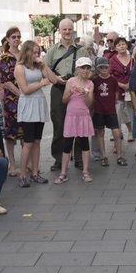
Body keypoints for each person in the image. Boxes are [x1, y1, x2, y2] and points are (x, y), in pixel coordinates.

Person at [45, 19, 90, 171]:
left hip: (77, 90)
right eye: (64, 29)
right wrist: (55, 78)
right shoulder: (52, 50)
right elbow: (45, 69)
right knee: (59, 124)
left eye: (70, 29)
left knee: (79, 123)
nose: (67, 32)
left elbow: (90, 69)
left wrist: (81, 82)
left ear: (73, 30)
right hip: (58, 89)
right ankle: (58, 158)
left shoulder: (81, 50)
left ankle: (78, 158)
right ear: (59, 31)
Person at [15, 41, 59, 187]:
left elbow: (53, 80)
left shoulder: (39, 66)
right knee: (27, 142)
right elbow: (25, 89)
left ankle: (35, 172)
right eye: (34, 52)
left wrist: (44, 65)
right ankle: (22, 174)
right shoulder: (20, 68)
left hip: (39, 102)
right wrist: (41, 83)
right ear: (26, 52)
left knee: (37, 141)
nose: (36, 55)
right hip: (28, 104)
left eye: (38, 52)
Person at [55, 57, 96, 184]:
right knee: (67, 144)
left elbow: (89, 103)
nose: (85, 70)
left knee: (84, 143)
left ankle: (85, 171)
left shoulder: (90, 84)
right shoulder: (71, 81)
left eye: (87, 68)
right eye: (82, 68)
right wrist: (70, 93)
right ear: (77, 69)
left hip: (83, 116)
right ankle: (63, 172)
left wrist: (86, 94)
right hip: (71, 116)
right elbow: (64, 100)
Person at [92, 57, 126, 166]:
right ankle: (103, 156)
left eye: (105, 67)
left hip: (111, 110)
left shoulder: (113, 80)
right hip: (99, 110)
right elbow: (92, 95)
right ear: (98, 69)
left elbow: (116, 94)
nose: (104, 70)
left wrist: (112, 103)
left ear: (109, 67)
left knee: (116, 132)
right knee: (100, 133)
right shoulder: (95, 81)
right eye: (101, 68)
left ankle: (119, 155)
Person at [0, 27, 23, 175]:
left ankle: (26, 162)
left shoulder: (24, 54)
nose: (16, 39)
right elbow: (6, 81)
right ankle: (12, 164)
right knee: (11, 132)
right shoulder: (4, 57)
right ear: (8, 39)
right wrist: (22, 94)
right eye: (13, 37)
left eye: (18, 37)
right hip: (11, 99)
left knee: (26, 131)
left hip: (27, 98)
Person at [109, 38, 134, 142]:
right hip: (117, 90)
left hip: (131, 90)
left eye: (123, 44)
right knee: (117, 114)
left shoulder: (133, 59)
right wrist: (121, 85)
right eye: (119, 45)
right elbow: (110, 75)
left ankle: (132, 132)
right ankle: (117, 136)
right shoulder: (112, 60)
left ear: (127, 45)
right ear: (115, 48)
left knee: (131, 112)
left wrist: (130, 84)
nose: (121, 46)